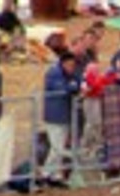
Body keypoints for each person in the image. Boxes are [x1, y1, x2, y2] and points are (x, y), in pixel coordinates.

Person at [40, 49, 80, 186]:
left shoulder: (69, 74)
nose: (71, 68)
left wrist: (73, 86)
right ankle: (47, 174)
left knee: (58, 146)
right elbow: (63, 89)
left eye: (73, 66)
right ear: (63, 63)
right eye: (69, 65)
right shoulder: (53, 73)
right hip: (54, 115)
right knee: (57, 147)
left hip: (64, 114)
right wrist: (72, 87)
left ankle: (53, 174)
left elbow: (76, 83)